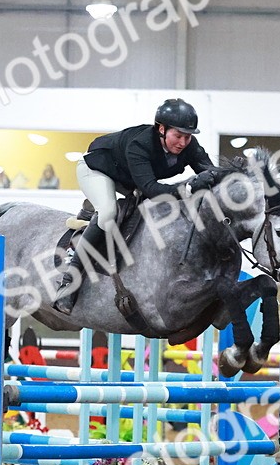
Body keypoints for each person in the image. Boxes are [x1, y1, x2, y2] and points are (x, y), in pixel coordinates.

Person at [53, 98, 221, 314]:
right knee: (108, 212)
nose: (182, 142)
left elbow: (211, 172)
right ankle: (69, 284)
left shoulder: (189, 146)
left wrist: (234, 176)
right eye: (177, 136)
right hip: (97, 169)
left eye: (187, 137)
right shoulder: (140, 144)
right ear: (161, 129)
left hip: (129, 177)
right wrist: (188, 189)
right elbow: (151, 189)